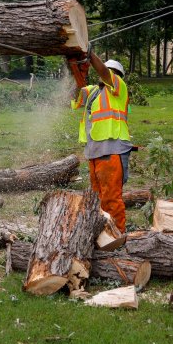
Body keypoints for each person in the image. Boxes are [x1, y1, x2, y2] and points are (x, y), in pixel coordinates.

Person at [71, 51, 132, 233]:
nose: (105, 74)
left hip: (112, 150)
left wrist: (90, 56)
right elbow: (76, 95)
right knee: (97, 198)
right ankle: (101, 234)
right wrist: (75, 70)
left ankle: (117, 236)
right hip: (94, 151)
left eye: (110, 71)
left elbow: (105, 73)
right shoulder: (92, 92)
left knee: (111, 199)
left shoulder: (118, 87)